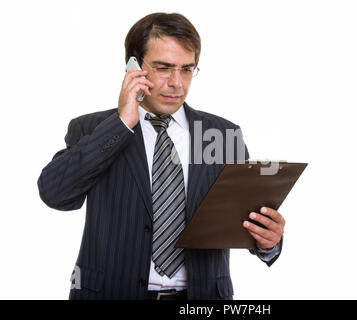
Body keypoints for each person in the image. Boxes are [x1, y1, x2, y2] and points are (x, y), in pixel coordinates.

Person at [37, 12, 285, 300]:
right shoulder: (92, 129)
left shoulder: (223, 133)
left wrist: (269, 240)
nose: (177, 83)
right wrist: (120, 124)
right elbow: (55, 194)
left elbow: (243, 219)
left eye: (187, 69)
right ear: (133, 67)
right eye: (164, 68)